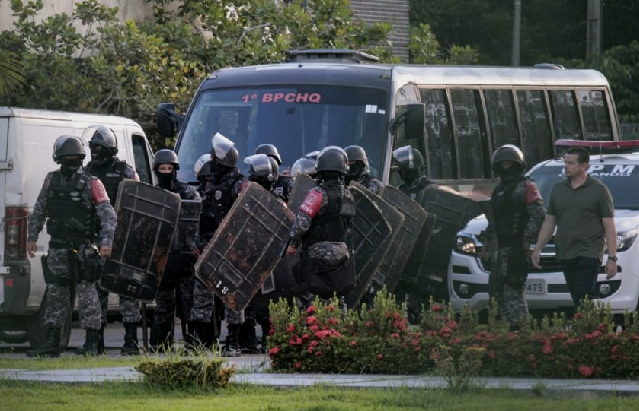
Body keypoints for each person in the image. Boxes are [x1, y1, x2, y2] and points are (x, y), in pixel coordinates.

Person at [26, 135, 116, 357]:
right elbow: (39, 210)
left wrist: (106, 241)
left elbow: (108, 214)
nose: (71, 162)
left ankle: (92, 344)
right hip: (57, 248)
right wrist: (31, 236)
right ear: (59, 158)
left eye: (74, 158)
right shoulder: (51, 180)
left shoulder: (92, 182)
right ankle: (52, 343)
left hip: (83, 249)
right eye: (68, 158)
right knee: (55, 294)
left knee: (87, 296)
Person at [532, 146, 617, 312]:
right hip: (565, 250)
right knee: (576, 295)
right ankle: (586, 329)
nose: (566, 167)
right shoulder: (558, 189)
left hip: (589, 249)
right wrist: (538, 248)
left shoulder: (598, 190)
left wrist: (612, 257)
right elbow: (550, 222)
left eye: (571, 163)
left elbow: (609, 225)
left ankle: (588, 332)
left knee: (583, 293)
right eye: (565, 163)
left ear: (583, 166)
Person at [82, 125, 141, 356]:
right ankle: (96, 342)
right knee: (98, 293)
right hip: (96, 240)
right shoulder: (87, 173)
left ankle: (130, 341)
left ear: (109, 148)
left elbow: (137, 201)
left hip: (122, 240)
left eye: (99, 147)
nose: (95, 151)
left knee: (126, 292)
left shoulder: (125, 171)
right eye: (92, 147)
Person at [192, 133, 247, 356]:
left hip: (230, 249)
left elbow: (245, 217)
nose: (212, 161)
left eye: (215, 158)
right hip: (208, 247)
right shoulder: (210, 183)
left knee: (231, 297)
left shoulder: (239, 184)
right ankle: (198, 342)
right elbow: (202, 217)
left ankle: (232, 342)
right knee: (202, 297)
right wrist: (197, 243)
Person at [480, 145, 546, 330]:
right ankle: (505, 336)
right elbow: (494, 221)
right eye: (502, 164)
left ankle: (523, 335)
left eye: (509, 163)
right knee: (497, 294)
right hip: (499, 250)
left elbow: (539, 214)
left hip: (515, 250)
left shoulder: (527, 186)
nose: (506, 167)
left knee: (513, 293)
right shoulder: (499, 190)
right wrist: (486, 242)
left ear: (518, 164)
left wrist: (526, 240)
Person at [286, 146, 356, 310]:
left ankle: (310, 329)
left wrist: (293, 244)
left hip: (318, 254)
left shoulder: (317, 193)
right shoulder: (349, 196)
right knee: (338, 297)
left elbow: (301, 223)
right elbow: (349, 227)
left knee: (310, 295)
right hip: (342, 254)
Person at [149, 149, 201, 352]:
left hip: (186, 258)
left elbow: (198, 219)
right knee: (163, 307)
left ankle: (192, 345)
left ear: (175, 169)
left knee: (189, 306)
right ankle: (161, 346)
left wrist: (195, 246)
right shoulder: (153, 194)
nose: (166, 171)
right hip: (163, 260)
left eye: (169, 168)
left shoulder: (188, 192)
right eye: (162, 168)